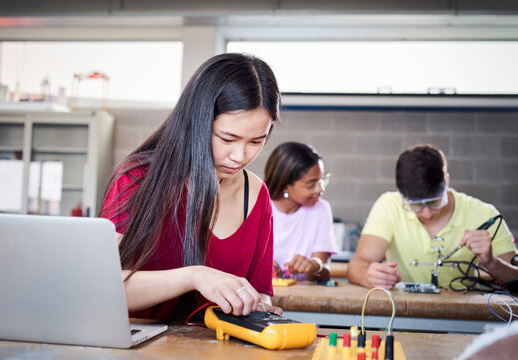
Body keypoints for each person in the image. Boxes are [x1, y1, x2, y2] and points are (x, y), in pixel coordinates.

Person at [100, 53, 283, 323]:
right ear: (196, 123)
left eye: (256, 142)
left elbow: (261, 292)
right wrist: (194, 277)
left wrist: (258, 306)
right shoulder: (137, 179)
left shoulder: (255, 195)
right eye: (227, 138)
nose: (240, 155)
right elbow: (103, 287)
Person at [348, 144, 517, 289]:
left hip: (463, 318)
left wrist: (491, 262)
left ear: (446, 181)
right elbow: (356, 265)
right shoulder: (388, 205)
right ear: (401, 194)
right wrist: (367, 276)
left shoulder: (484, 214)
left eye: (434, 202)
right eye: (415, 205)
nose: (427, 213)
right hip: (402, 315)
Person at [264, 142, 337, 281]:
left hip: (302, 297)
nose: (320, 189)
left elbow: (325, 271)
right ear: (285, 185)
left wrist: (314, 266)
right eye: (311, 185)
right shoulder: (258, 206)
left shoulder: (321, 209)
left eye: (321, 181)